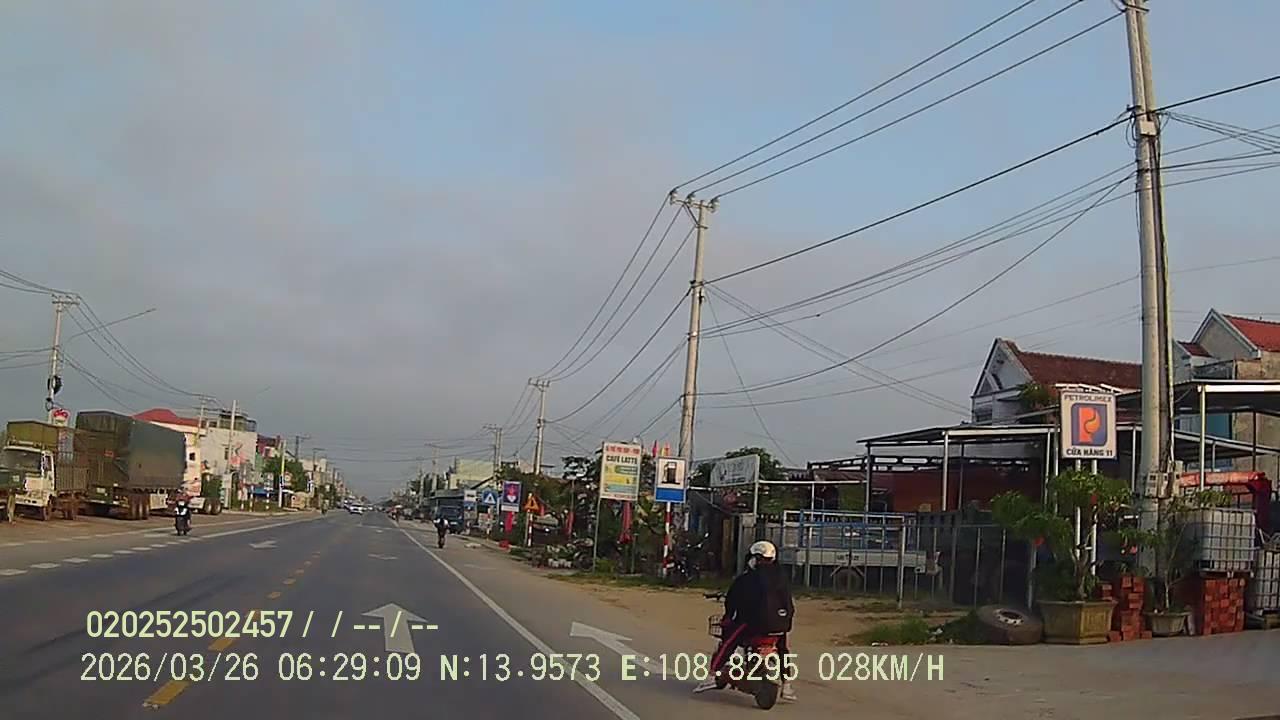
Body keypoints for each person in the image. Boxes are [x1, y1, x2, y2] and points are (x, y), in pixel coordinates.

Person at [694, 540, 797, 701]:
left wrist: (729, 617)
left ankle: (712, 675)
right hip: (780, 625)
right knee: (782, 649)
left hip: (754, 624)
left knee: (729, 642)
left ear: (756, 558)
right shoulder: (781, 577)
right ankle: (787, 685)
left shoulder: (748, 578)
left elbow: (733, 601)